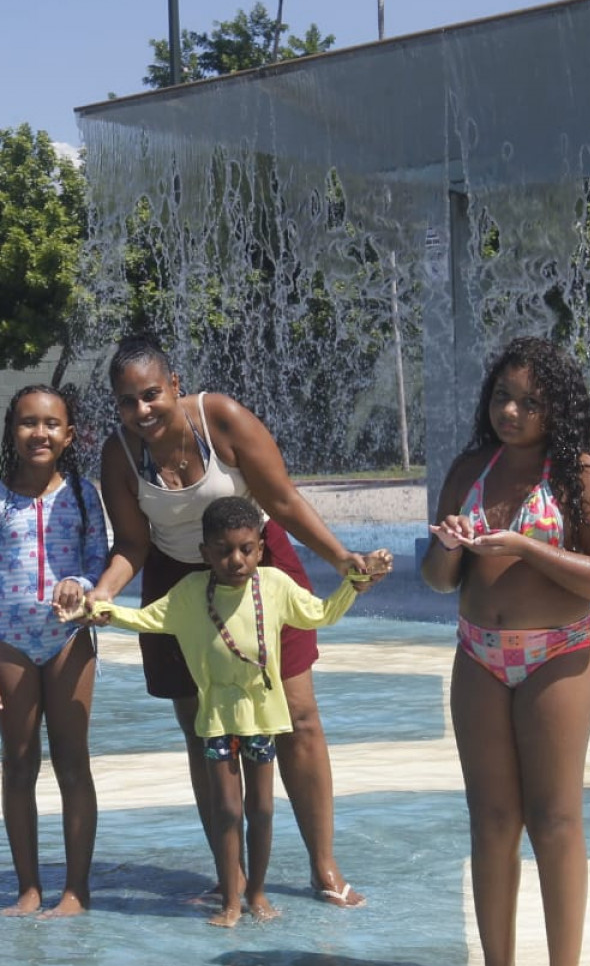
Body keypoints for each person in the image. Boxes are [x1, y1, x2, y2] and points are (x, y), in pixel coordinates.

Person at [75, 335, 382, 907]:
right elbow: (133, 544)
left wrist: (343, 559)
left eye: (151, 394)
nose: (141, 410)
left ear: (175, 385)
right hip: (179, 584)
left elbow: (283, 501)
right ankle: (232, 875)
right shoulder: (120, 454)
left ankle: (324, 865)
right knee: (206, 732)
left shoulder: (221, 419)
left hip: (259, 569)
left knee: (298, 717)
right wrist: (102, 595)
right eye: (126, 401)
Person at [420, 336, 590, 966]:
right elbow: (437, 580)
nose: (510, 411)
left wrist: (523, 546)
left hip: (556, 655)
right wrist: (449, 548)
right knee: (491, 818)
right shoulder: (470, 469)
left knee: (555, 816)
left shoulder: (583, 474)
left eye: (530, 402)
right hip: (479, 653)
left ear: (558, 407)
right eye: (502, 396)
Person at [81, 497, 388, 927]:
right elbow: (145, 619)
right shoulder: (190, 594)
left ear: (261, 548)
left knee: (261, 809)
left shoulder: (275, 586)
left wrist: (354, 583)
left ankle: (257, 894)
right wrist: (100, 610)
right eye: (224, 550)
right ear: (205, 553)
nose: (236, 560)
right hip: (216, 724)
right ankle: (230, 899)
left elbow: (320, 614)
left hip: (262, 721)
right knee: (227, 809)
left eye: (246, 549)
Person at [0, 384, 110, 917]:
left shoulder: (83, 495)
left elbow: (98, 563)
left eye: (51, 424)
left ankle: (76, 889)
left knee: (73, 762)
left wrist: (80, 582)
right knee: (19, 762)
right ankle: (28, 886)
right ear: (12, 431)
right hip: (11, 644)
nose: (39, 433)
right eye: (28, 422)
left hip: (68, 639)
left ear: (69, 435)